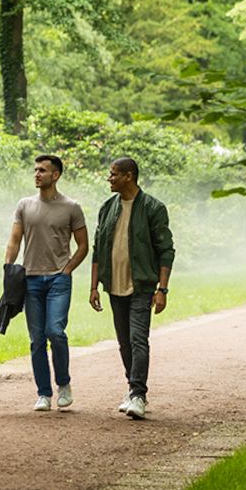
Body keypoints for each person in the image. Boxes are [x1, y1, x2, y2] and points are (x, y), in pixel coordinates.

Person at [88, 156, 174, 420]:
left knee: (138, 340)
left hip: (142, 286)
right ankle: (132, 388)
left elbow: (166, 250)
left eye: (114, 174)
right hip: (114, 286)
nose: (109, 179)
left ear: (129, 176)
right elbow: (97, 250)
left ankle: (138, 394)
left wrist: (162, 290)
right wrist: (93, 287)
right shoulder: (107, 208)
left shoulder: (153, 208)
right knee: (124, 343)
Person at [4, 154, 89, 412]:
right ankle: (43, 393)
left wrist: (67, 270)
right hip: (30, 279)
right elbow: (15, 240)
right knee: (37, 339)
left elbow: (83, 245)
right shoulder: (24, 205)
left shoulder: (71, 207)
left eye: (42, 170)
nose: (37, 174)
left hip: (58, 279)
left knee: (55, 331)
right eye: (35, 170)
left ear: (56, 175)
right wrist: (9, 269)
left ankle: (63, 384)